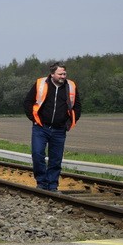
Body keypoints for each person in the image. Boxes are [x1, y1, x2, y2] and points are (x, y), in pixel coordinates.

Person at [23, 63, 81, 191]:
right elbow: (28, 102)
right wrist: (34, 119)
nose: (63, 76)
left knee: (56, 159)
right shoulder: (40, 83)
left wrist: (70, 123)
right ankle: (41, 183)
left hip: (60, 129)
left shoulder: (71, 86)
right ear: (52, 74)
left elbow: (77, 106)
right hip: (41, 127)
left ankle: (53, 185)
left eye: (64, 74)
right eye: (60, 74)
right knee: (37, 154)